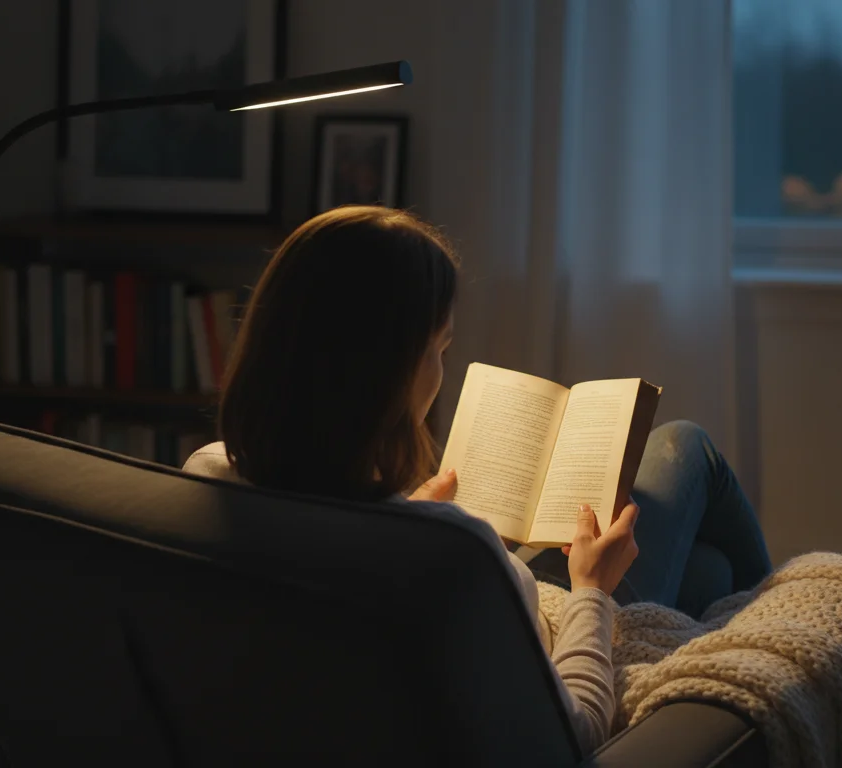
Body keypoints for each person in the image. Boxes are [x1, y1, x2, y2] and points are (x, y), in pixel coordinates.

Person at [182, 206, 771, 754]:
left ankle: (732, 609)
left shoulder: (207, 476)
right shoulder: (456, 551)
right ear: (389, 374)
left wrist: (402, 507)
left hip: (458, 619)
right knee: (688, 448)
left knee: (706, 571)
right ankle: (766, 625)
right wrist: (594, 586)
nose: (441, 368)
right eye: (438, 348)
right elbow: (577, 730)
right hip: (539, 616)